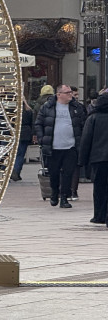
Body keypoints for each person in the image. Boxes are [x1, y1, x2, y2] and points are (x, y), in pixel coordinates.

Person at [35, 84, 86, 208]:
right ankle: (54, 193)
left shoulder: (76, 107)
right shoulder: (47, 107)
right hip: (53, 147)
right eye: (67, 92)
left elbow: (83, 124)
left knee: (68, 173)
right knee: (54, 173)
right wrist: (42, 139)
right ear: (59, 94)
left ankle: (64, 197)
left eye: (70, 92)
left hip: (70, 146)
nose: (70, 95)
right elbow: (38, 123)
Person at [80, 90, 108, 225]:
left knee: (99, 187)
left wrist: (82, 159)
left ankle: (99, 215)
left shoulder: (93, 118)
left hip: (98, 159)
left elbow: (86, 140)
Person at [10, 98, 34, 182]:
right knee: (21, 154)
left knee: (14, 153)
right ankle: (16, 171)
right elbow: (32, 123)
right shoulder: (29, 110)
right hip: (26, 133)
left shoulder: (13, 111)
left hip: (16, 132)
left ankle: (12, 171)